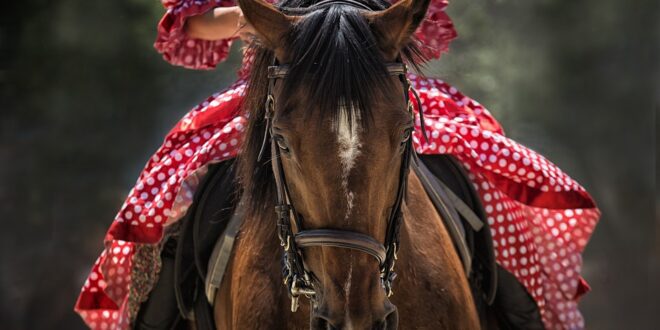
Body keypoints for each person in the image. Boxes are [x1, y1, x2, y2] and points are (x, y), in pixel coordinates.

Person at [74, 0, 600, 329]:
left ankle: (515, 307)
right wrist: (262, 18)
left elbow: (419, 16)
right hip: (283, 86)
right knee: (178, 198)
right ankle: (158, 310)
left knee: (483, 174)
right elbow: (194, 23)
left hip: (373, 80)